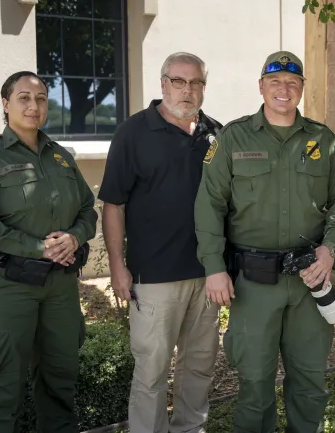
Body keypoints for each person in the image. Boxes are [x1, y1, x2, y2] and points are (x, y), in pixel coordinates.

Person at [194, 50, 335, 433]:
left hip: (309, 283)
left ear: (301, 89)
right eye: (276, 82)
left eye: (293, 83)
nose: (284, 89)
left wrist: (330, 248)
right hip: (253, 285)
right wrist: (214, 268)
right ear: (261, 86)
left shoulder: (322, 139)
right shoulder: (233, 137)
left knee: (310, 383)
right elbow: (209, 204)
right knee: (254, 385)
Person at [0, 71, 97, 433]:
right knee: (1, 391)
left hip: (59, 289)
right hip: (6, 288)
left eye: (41, 98)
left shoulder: (61, 157)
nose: (34, 106)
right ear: (5, 104)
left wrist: (75, 238)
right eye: (24, 98)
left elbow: (86, 209)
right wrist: (38, 248)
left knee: (60, 383)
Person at [99, 52, 222, 433]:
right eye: (179, 81)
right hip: (153, 276)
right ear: (163, 83)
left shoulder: (217, 134)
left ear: (203, 87)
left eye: (195, 83)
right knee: (151, 371)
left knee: (198, 366)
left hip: (207, 275)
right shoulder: (133, 132)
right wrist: (118, 266)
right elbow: (113, 204)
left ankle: (190, 428)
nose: (187, 90)